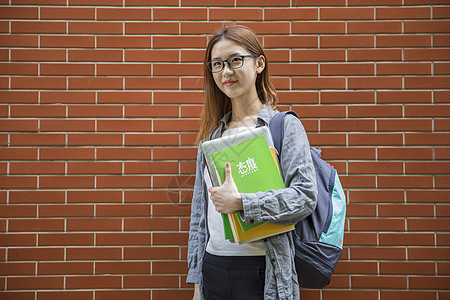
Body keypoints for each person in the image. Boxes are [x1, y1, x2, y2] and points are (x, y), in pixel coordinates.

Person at [187, 25, 317, 300]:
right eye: (217, 64)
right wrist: (198, 282)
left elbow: (305, 196)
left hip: (262, 271)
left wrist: (242, 203)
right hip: (214, 268)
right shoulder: (213, 136)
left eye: (235, 60)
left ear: (259, 64)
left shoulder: (283, 126)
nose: (226, 72)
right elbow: (200, 215)